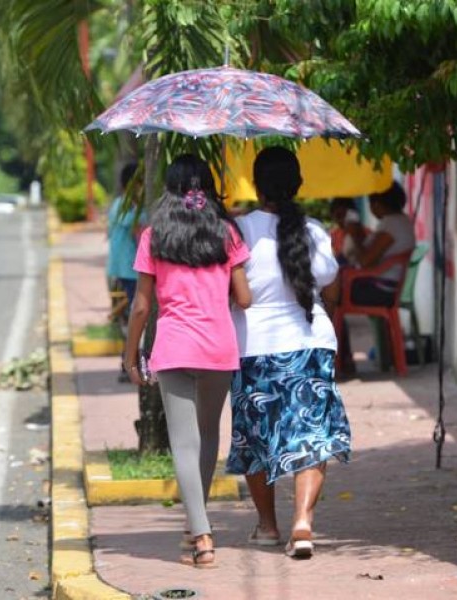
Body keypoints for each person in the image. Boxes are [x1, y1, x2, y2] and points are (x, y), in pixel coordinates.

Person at [123, 154, 251, 568]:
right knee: (208, 434)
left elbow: (142, 306)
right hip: (218, 345)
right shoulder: (227, 232)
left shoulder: (154, 235)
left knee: (182, 441)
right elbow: (244, 298)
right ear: (207, 185)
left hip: (175, 346)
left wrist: (130, 355)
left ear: (171, 188)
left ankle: (201, 534)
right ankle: (198, 524)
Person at [226, 146, 351, 559]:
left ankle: (267, 527)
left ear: (256, 185)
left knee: (255, 438)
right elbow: (331, 288)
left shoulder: (239, 231)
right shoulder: (314, 231)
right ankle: (303, 522)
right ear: (297, 184)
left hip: (253, 348)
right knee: (311, 436)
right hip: (310, 343)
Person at [332, 181, 416, 372]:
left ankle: (342, 361)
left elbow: (366, 260)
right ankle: (343, 359)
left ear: (378, 204)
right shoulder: (397, 221)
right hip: (382, 286)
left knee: (330, 296)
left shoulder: (391, 224)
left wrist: (353, 233)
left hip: (380, 290)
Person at [107, 163, 145, 382]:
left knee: (135, 313)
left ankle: (129, 360)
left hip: (129, 267)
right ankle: (128, 362)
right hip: (128, 268)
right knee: (137, 313)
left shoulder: (127, 205)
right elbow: (142, 222)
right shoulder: (124, 206)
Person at [329, 197, 368, 266]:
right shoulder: (331, 236)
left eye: (345, 215)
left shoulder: (367, 233)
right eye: (338, 216)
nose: (342, 220)